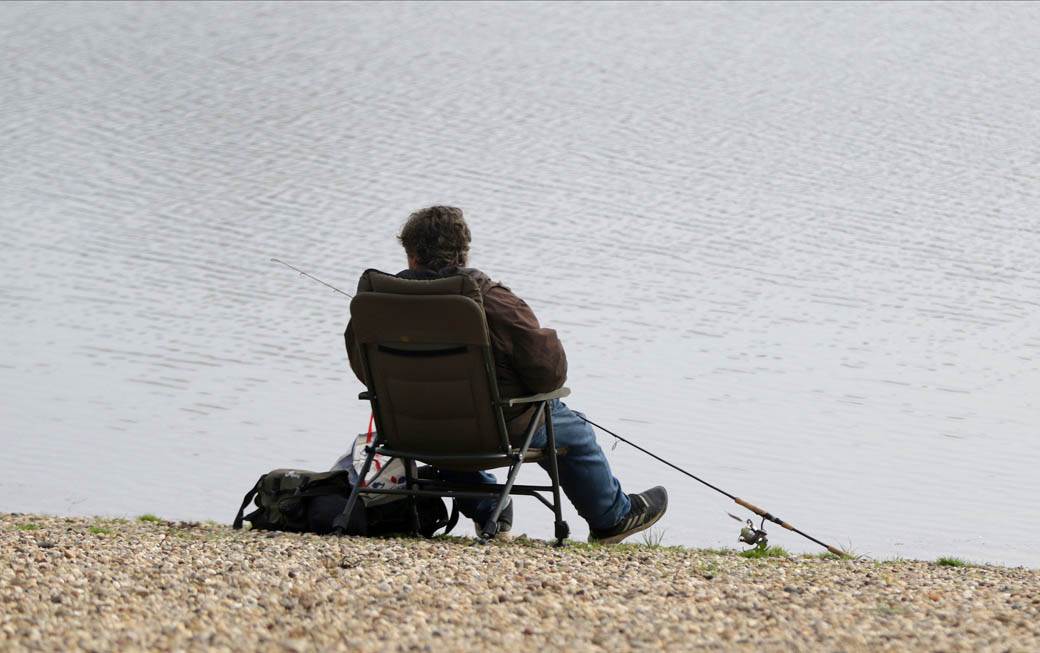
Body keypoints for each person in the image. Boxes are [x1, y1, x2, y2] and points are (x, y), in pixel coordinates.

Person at [344, 206, 667, 543]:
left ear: (411, 255)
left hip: (407, 429)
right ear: (463, 253)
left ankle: (490, 508)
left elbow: (363, 369)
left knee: (446, 420)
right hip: (493, 429)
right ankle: (612, 518)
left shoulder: (376, 302)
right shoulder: (493, 301)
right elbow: (549, 375)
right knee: (572, 429)